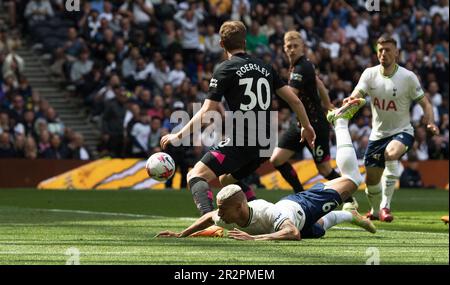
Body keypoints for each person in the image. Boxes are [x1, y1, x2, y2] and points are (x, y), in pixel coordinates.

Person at [156, 99, 376, 240]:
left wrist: (256, 239)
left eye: (223, 210)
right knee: (318, 229)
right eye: (221, 210)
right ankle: (349, 215)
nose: (219, 214)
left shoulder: (268, 213)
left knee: (353, 180)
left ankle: (340, 122)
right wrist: (181, 234)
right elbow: (209, 217)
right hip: (295, 221)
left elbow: (293, 233)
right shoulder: (229, 214)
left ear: (241, 206)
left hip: (301, 205)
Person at [159, 21, 316, 215]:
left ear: (221, 44)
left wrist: (178, 136)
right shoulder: (265, 67)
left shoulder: (225, 69)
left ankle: (208, 220)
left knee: (195, 175)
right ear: (245, 42)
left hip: (243, 140)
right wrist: (306, 126)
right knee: (227, 180)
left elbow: (208, 110)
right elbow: (295, 101)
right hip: (266, 143)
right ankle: (263, 216)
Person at [343, 36, 439, 222]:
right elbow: (357, 94)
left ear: (396, 52)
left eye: (387, 50)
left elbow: (425, 103)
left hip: (402, 131)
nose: (383, 54)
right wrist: (350, 100)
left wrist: (431, 121)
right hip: (377, 135)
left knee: (391, 153)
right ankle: (375, 210)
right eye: (380, 50)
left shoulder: (408, 77)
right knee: (371, 181)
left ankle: (385, 206)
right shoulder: (369, 74)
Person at [267, 31, 358, 210]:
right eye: (289, 46)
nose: (292, 50)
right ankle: (300, 194)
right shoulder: (301, 66)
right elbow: (320, 84)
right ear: (284, 48)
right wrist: (328, 104)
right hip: (301, 123)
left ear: (302, 47)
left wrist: (273, 87)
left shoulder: (301, 68)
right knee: (277, 159)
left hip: (315, 125)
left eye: (295, 46)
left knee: (324, 170)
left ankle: (348, 198)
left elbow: (291, 95)